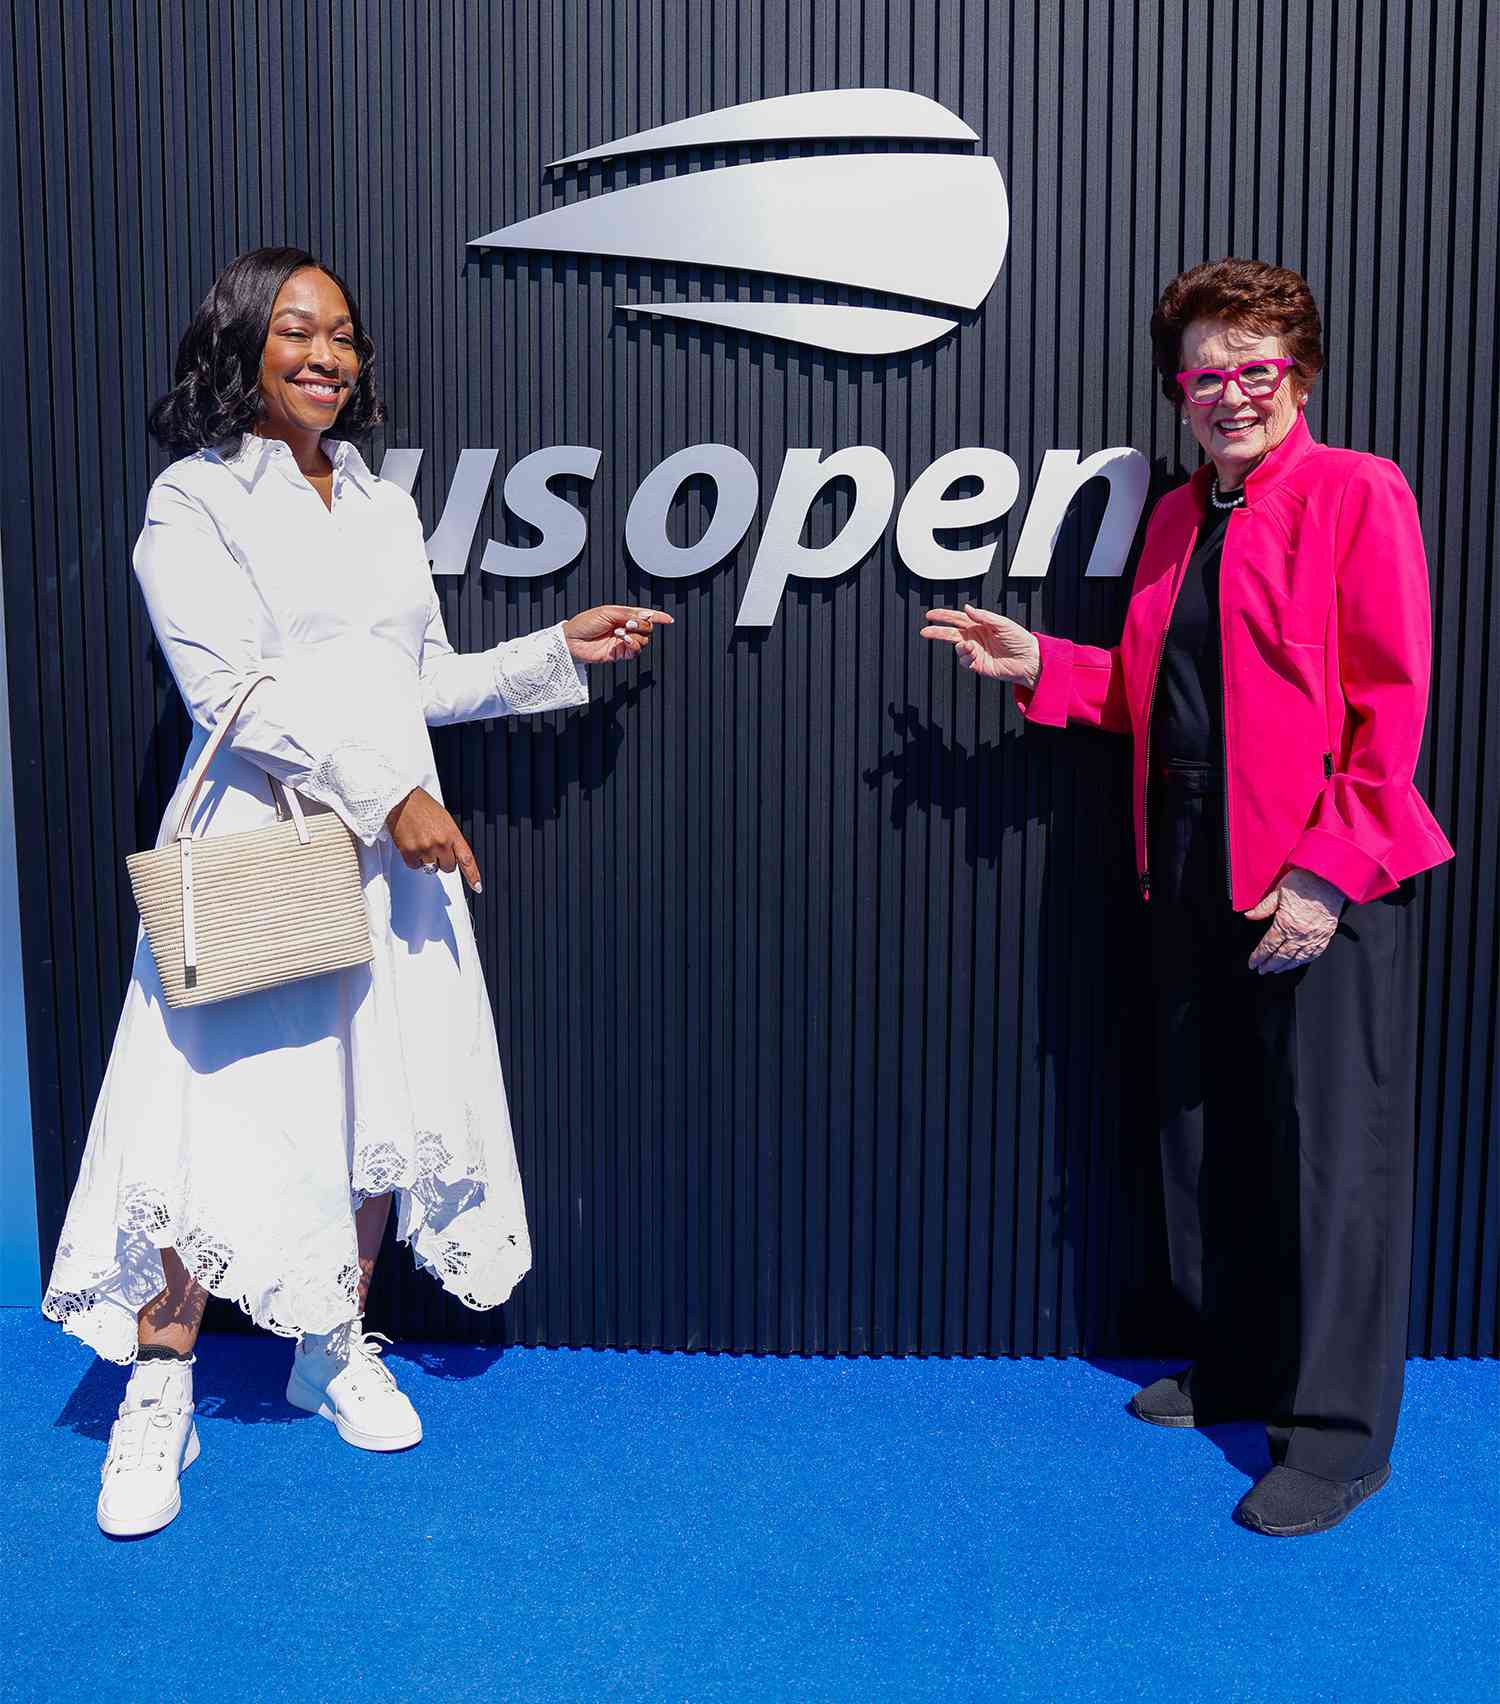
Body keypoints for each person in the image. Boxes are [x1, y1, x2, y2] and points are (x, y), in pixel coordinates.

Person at [42, 246, 672, 1537]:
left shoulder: (385, 506)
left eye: (342, 334)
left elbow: (419, 678)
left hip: (396, 853)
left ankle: (333, 1343)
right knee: (207, 1109)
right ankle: (161, 1384)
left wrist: (554, 651)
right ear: (242, 346)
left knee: (376, 1096)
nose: (326, 355)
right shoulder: (196, 497)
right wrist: (389, 795)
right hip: (262, 842)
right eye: (295, 330)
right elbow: (232, 692)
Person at [921, 258, 1453, 1536]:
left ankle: (1334, 1434)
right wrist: (1039, 658)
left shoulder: (1354, 492)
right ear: (1179, 390)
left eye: (1254, 368)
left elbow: (1391, 706)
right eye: (1206, 373)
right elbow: (1158, 697)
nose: (1230, 394)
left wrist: (1327, 870)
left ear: (1299, 373)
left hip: (1318, 863)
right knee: (1210, 1141)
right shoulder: (1176, 519)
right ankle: (1244, 1368)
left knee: (1327, 1159)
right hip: (1189, 851)